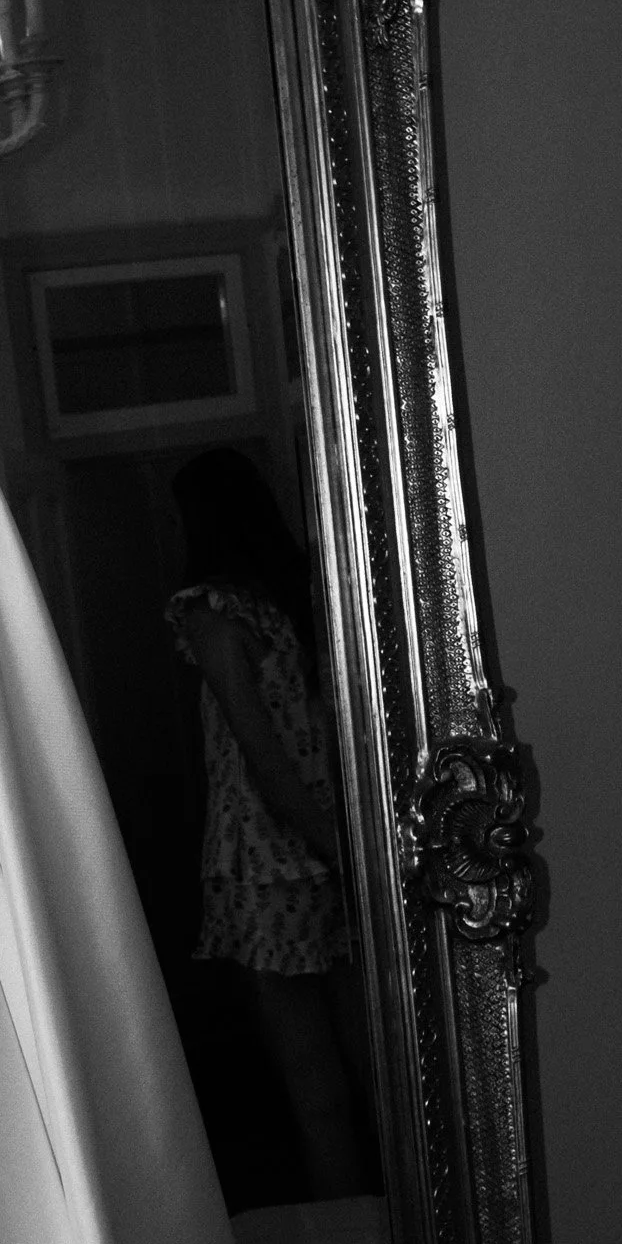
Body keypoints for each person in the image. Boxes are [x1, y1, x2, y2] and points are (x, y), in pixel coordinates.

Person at [166, 447, 370, 1201]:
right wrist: (344, 848)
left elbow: (262, 757)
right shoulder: (294, 597)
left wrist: (333, 847)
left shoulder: (214, 614)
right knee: (367, 1069)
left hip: (266, 860)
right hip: (323, 846)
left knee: (318, 1093)